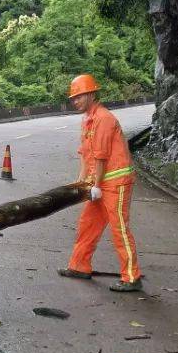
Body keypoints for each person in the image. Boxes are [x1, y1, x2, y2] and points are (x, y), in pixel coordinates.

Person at [57, 74, 143, 292]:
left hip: (116, 183)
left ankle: (132, 277)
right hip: (99, 183)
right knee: (88, 224)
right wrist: (80, 183)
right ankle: (79, 266)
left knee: (119, 229)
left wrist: (95, 185)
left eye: (79, 96)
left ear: (92, 94)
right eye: (73, 98)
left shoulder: (104, 118)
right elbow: (86, 154)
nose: (75, 101)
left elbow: (101, 156)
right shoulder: (87, 119)